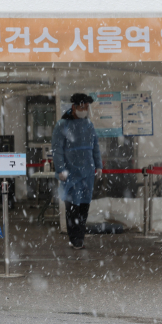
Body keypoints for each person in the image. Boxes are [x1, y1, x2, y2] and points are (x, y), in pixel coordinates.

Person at [52, 93, 102, 250]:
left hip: (87, 173)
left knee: (84, 206)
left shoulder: (89, 125)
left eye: (86, 107)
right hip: (71, 174)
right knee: (73, 206)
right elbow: (57, 149)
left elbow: (95, 147)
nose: (84, 110)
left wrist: (98, 165)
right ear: (73, 107)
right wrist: (60, 168)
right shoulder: (62, 125)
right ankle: (75, 238)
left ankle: (80, 236)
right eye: (82, 107)